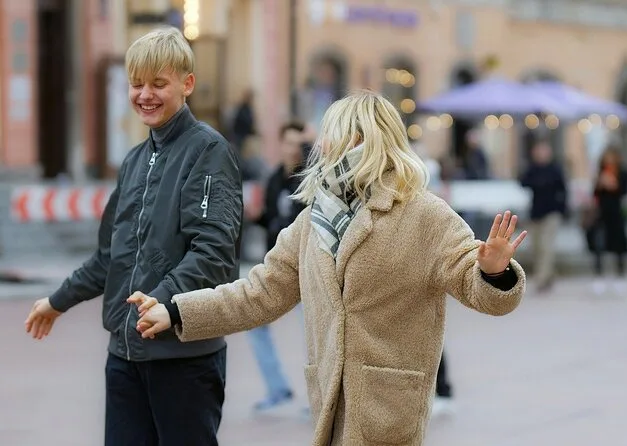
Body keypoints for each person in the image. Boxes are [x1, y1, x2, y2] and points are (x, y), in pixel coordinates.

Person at [129, 90, 528, 446]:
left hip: (389, 413)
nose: (319, 144)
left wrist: (494, 272)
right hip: (329, 408)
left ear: (359, 139)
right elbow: (258, 294)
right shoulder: (312, 220)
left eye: (329, 133)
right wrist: (176, 311)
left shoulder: (424, 214)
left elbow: (480, 289)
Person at [24, 27, 243, 446]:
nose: (145, 94)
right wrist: (57, 301)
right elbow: (110, 257)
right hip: (124, 358)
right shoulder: (135, 161)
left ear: (187, 84)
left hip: (183, 359)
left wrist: (163, 300)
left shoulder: (208, 152)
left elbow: (214, 254)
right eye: (137, 83)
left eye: (158, 83)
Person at [247, 121, 309, 413]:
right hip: (276, 269)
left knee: (314, 333)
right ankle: (277, 388)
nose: (293, 149)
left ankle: (320, 398)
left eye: (299, 144)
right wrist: (256, 217)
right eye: (289, 142)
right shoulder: (273, 179)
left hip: (305, 269)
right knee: (255, 324)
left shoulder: (310, 179)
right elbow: (273, 220)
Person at [520, 141, 568, 293]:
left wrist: (562, 209)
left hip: (551, 213)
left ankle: (541, 279)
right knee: (536, 247)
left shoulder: (555, 169)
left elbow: (563, 189)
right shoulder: (532, 169)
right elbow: (522, 182)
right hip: (536, 213)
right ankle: (549, 275)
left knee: (546, 246)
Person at [587, 146, 627, 294]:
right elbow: (594, 193)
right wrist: (601, 184)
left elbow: (624, 190)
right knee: (598, 245)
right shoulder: (600, 173)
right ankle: (598, 276)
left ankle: (620, 275)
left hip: (617, 214)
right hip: (601, 214)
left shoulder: (623, 173)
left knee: (619, 246)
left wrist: (613, 185)